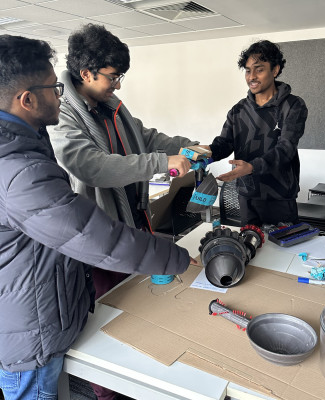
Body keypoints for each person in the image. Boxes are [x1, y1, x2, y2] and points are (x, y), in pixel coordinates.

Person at [0, 34, 195, 400]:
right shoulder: (25, 158)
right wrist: (178, 256)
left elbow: (144, 135)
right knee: (100, 354)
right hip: (32, 325)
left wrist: (186, 146)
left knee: (127, 325)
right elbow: (93, 214)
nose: (58, 94)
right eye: (52, 87)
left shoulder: (34, 135)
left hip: (50, 298)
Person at [207, 40, 308, 227]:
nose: (251, 76)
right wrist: (207, 152)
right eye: (247, 70)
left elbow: (286, 149)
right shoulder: (238, 110)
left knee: (283, 251)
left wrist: (252, 167)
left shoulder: (293, 105)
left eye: (259, 69)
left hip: (280, 196)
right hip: (247, 195)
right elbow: (224, 144)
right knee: (252, 247)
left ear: (275, 70)